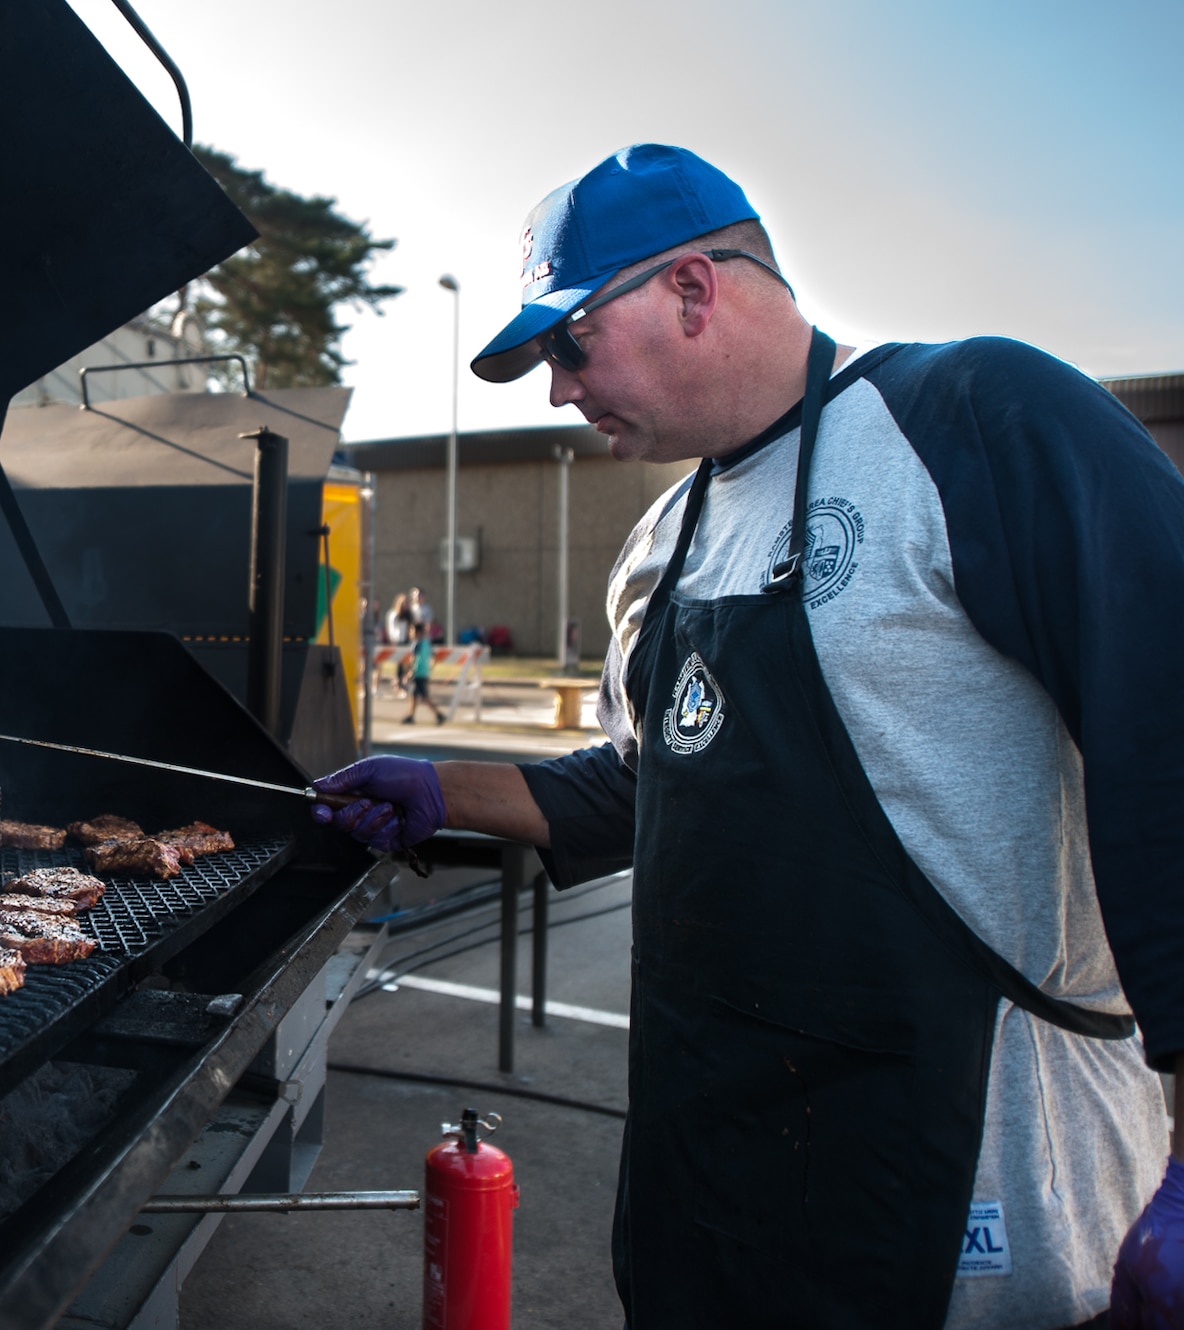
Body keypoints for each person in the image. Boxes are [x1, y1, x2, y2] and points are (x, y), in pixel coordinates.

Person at [311, 144, 1184, 1330]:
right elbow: (644, 783)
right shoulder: (663, 537)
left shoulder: (975, 423)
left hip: (963, 1169)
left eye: (568, 343)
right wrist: (442, 788)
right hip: (708, 1164)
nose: (557, 391)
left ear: (690, 287)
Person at [400, 620, 445, 726]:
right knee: (413, 695)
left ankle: (438, 714)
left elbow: (413, 659)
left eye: (412, 631)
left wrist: (410, 672)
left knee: (424, 697)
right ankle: (411, 715)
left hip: (418, 673)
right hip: (424, 672)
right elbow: (434, 657)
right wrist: (430, 667)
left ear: (418, 632)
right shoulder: (427, 643)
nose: (410, 633)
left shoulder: (416, 644)